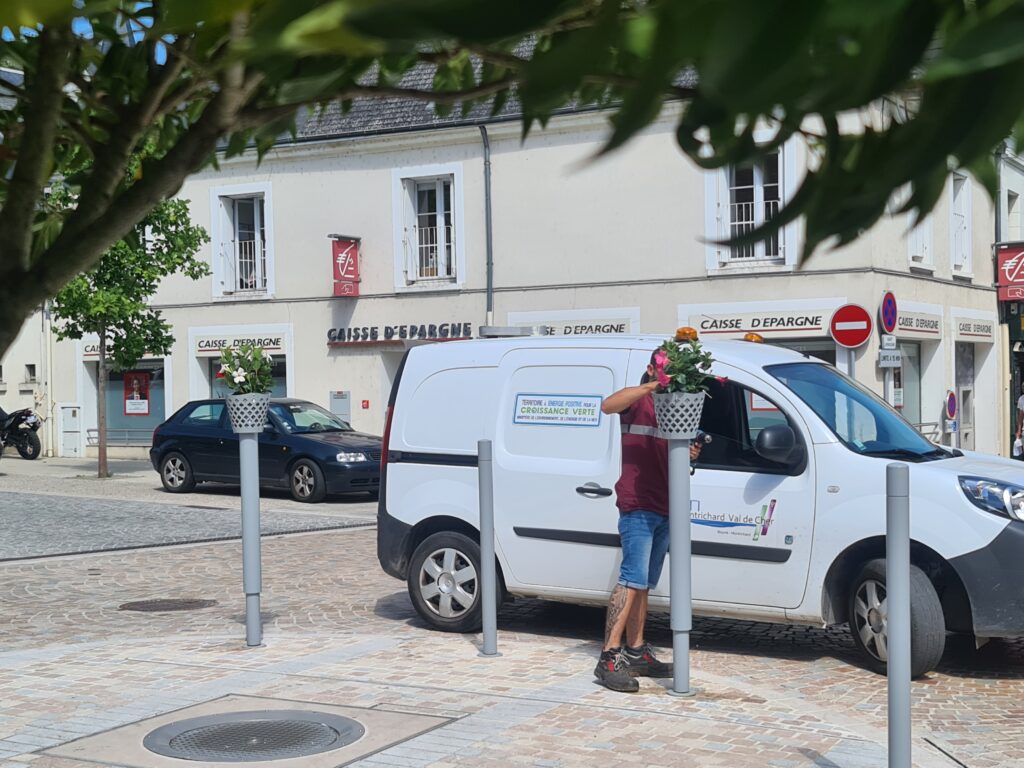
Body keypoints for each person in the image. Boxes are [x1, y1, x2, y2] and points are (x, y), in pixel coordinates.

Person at [594, 351, 702, 692]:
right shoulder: (638, 401)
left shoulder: (678, 407)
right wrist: (653, 385)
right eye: (663, 370)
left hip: (666, 505)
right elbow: (608, 405)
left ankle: (636, 650)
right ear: (652, 369)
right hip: (638, 504)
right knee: (631, 578)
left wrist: (690, 453)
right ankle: (608, 657)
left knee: (644, 583)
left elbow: (675, 455)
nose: (669, 377)